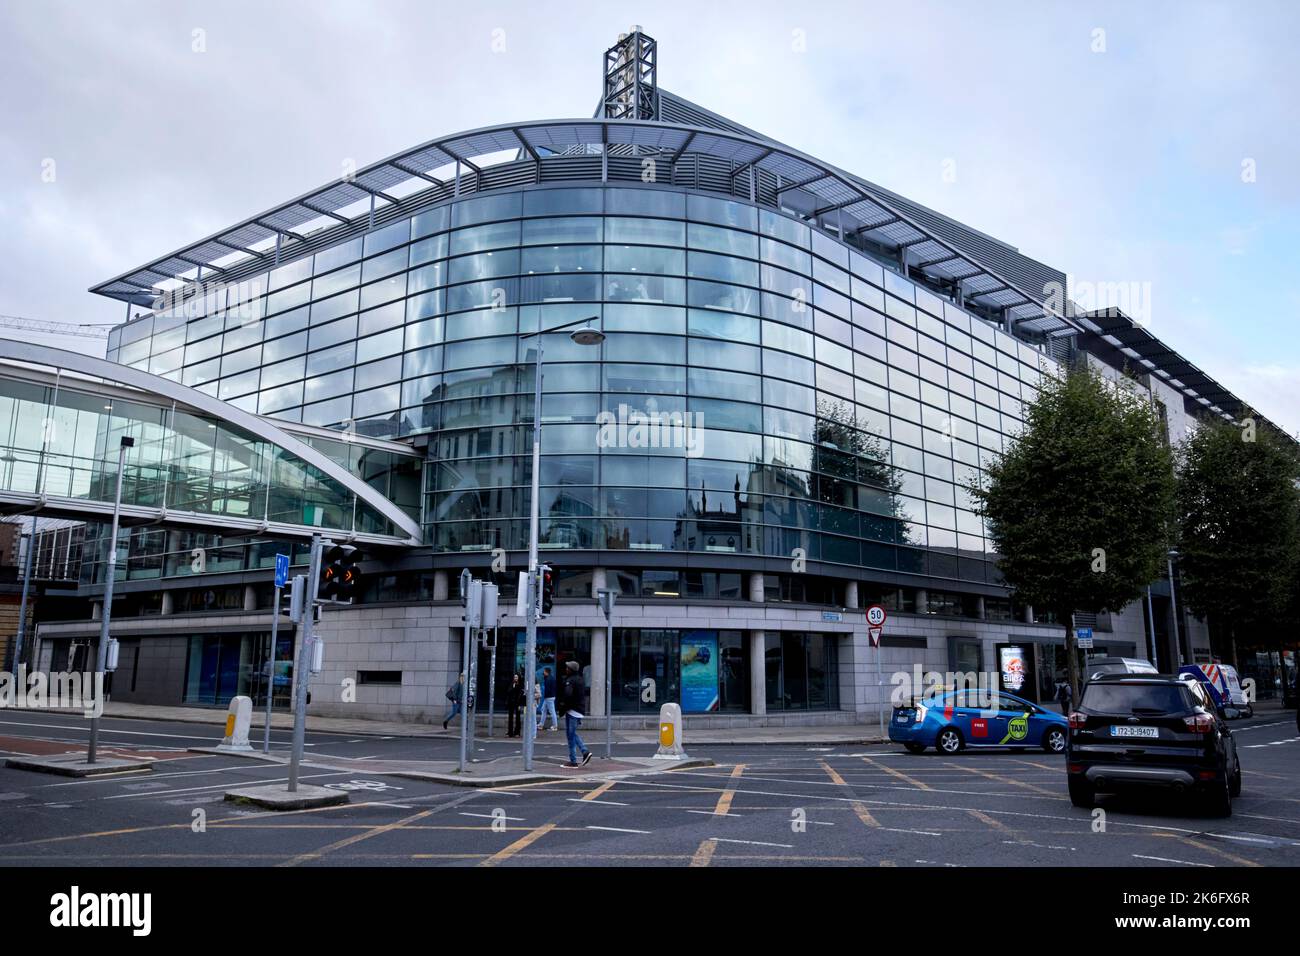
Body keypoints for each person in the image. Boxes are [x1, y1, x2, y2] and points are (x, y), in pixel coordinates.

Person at [560, 660, 592, 767]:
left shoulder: (571, 680)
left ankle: (584, 752)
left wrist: (563, 707)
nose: (566, 669)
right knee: (571, 734)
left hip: (572, 710)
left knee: (571, 734)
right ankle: (573, 759)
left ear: (571, 670)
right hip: (578, 710)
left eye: (567, 668)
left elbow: (568, 695)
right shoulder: (580, 679)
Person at [537, 666, 558, 732]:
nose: (543, 672)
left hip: (549, 698)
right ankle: (541, 725)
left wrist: (545, 696)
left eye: (544, 671)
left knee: (552, 712)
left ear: (546, 672)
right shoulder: (551, 678)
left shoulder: (548, 679)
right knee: (543, 710)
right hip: (550, 697)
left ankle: (555, 726)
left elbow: (548, 689)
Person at [506, 672, 524, 738]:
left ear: (518, 678)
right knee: (510, 718)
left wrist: (520, 703)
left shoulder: (520, 685)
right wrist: (513, 687)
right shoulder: (512, 684)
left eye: (516, 677)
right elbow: (508, 692)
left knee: (518, 718)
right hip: (511, 703)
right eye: (514, 677)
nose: (515, 678)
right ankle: (510, 732)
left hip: (517, 703)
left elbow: (521, 694)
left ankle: (517, 732)